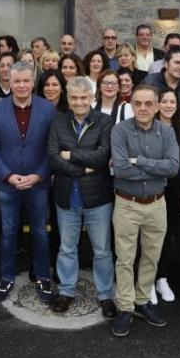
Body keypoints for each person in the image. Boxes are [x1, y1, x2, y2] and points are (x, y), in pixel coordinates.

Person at [108, 83, 180, 338]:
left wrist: (140, 161)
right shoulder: (119, 131)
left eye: (149, 103)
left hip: (157, 205)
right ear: (131, 105)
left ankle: (142, 301)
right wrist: (153, 167)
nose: (143, 108)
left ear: (158, 106)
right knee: (125, 258)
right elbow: (121, 168)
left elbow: (173, 167)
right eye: (138, 103)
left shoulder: (167, 133)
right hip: (127, 204)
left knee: (151, 256)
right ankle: (126, 307)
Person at [0, 62, 58, 302]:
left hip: (38, 183)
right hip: (8, 184)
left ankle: (43, 278)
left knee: (39, 232)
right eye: (17, 81)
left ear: (33, 81)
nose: (22, 85)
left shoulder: (48, 109)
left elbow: (53, 148)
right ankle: (6, 277)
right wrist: (7, 175)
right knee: (8, 232)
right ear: (9, 81)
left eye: (26, 80)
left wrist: (39, 174)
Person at [47, 77, 116, 316]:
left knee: (102, 250)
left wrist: (71, 155)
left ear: (92, 98)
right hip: (67, 196)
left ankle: (105, 295)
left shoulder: (104, 122)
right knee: (67, 248)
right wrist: (82, 165)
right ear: (68, 99)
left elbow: (103, 156)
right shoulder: (58, 122)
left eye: (83, 97)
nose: (79, 102)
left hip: (98, 199)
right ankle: (66, 291)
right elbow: (54, 157)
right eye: (74, 97)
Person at [153, 88, 180, 307]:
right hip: (154, 188)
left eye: (171, 101)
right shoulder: (150, 126)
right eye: (163, 101)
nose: (167, 105)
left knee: (167, 235)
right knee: (150, 237)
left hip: (176, 191)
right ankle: (147, 280)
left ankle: (162, 278)